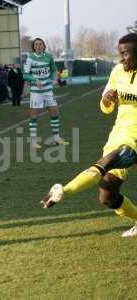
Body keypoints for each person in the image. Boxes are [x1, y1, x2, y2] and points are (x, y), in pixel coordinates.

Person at [42, 33, 137, 237]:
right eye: (119, 53)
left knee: (104, 163)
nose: (121, 58)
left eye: (125, 54)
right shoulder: (118, 71)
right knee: (107, 197)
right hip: (119, 135)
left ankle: (63, 191)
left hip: (133, 140)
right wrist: (107, 100)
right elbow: (105, 109)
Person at [23, 38, 69, 149]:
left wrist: (54, 79)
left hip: (48, 90)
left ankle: (57, 138)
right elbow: (25, 74)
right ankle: (33, 141)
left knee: (54, 113)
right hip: (36, 92)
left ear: (44, 46)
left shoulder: (49, 57)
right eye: (36, 44)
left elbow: (53, 70)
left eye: (40, 44)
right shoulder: (30, 58)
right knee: (33, 115)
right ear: (33, 47)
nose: (38, 46)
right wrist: (35, 80)